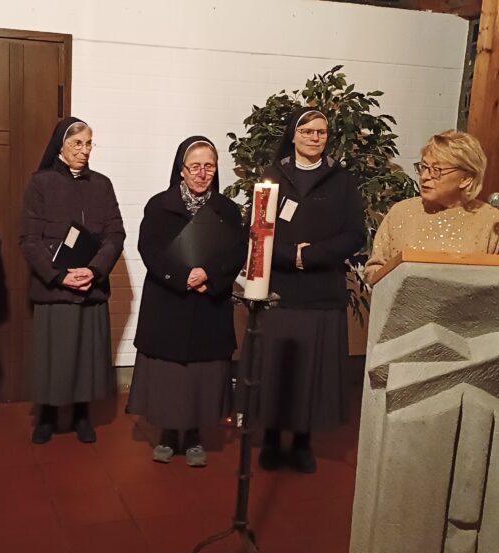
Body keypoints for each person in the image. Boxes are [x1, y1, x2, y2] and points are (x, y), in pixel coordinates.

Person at [257, 108, 367, 474]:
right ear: (293, 135)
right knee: (277, 369)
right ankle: (271, 438)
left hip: (321, 290)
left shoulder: (342, 181)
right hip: (280, 289)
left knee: (309, 371)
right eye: (307, 131)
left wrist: (313, 255)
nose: (314, 137)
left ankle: (303, 441)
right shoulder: (272, 176)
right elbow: (257, 230)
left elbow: (355, 234)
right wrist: (291, 256)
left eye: (321, 132)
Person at [127, 136, 246, 467]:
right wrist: (183, 277)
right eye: (195, 166)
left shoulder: (227, 209)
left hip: (209, 301)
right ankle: (167, 433)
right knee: (170, 375)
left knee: (199, 375)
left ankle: (194, 435)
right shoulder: (158, 205)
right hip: (169, 302)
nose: (202, 173)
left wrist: (209, 275)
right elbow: (149, 250)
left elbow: (237, 251)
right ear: (181, 170)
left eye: (209, 166)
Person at [20, 117, 125, 444]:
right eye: (77, 143)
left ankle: (82, 414)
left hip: (91, 285)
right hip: (54, 288)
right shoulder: (41, 183)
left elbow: (115, 234)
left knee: (86, 357)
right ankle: (48, 416)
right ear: (61, 146)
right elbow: (29, 239)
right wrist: (59, 276)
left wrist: (94, 270)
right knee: (55, 356)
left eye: (89, 143)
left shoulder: (102, 184)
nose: (85, 150)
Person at [364, 130, 499, 283]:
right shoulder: (401, 212)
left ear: (466, 179)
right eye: (423, 167)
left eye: (436, 170)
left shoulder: (490, 220)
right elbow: (374, 269)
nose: (424, 177)